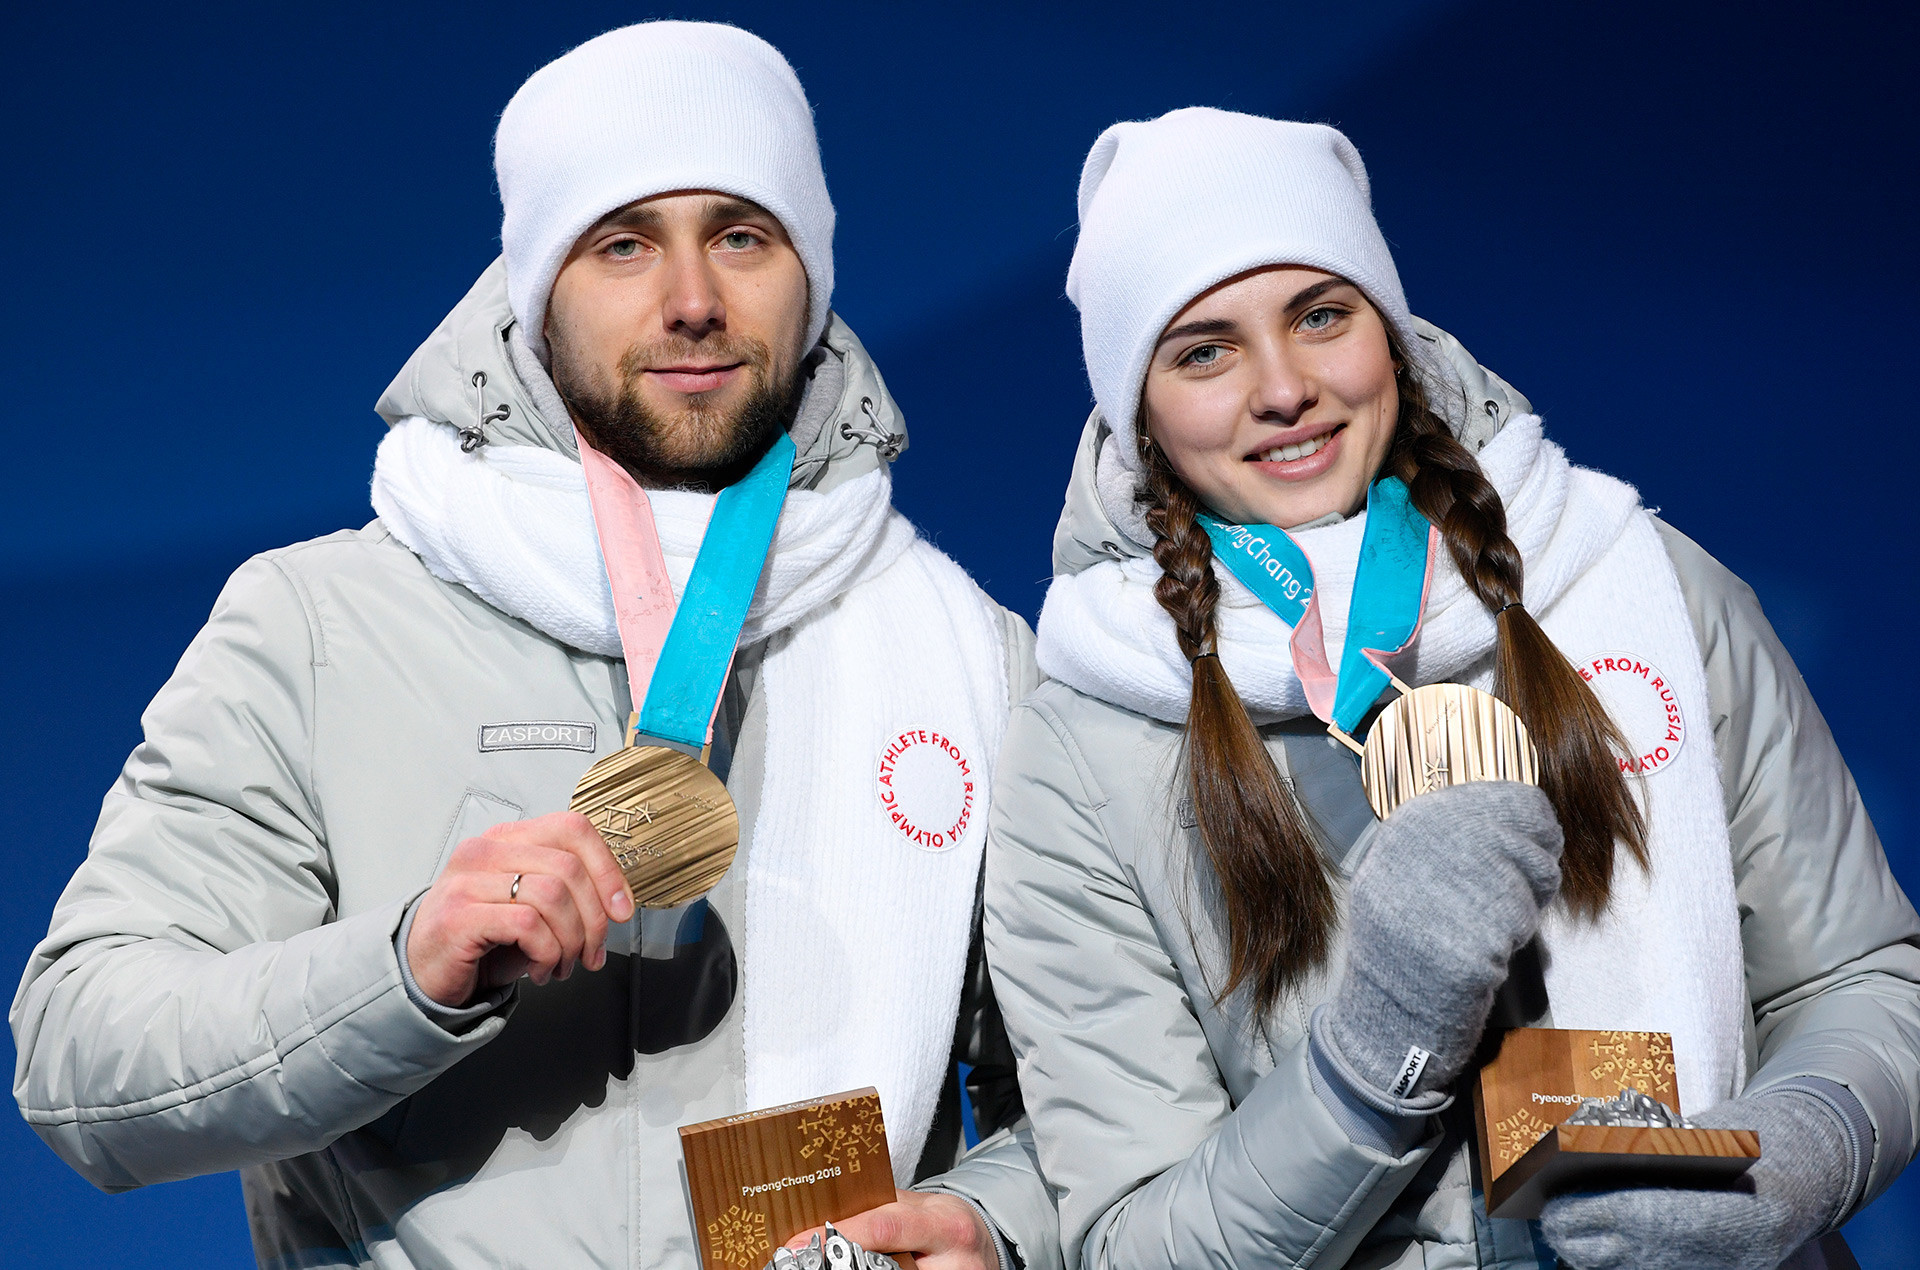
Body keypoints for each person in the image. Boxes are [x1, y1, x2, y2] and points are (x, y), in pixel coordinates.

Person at [11, 23, 1057, 1270]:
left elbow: (1094, 1102)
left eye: (741, 234)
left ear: (810, 273)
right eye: (623, 245)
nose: (692, 301)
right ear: (536, 287)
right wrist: (402, 970)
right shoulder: (322, 623)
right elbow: (78, 1061)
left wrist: (996, 1225)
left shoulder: (965, 649)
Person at [982, 106, 1920, 1269]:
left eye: (1320, 316)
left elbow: (1865, 977)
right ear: (1143, 412)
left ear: (1391, 330)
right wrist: (1376, 1050)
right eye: (1206, 351)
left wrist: (1798, 1150)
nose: (1284, 388)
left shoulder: (1640, 580)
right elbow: (1132, 1242)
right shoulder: (1083, 741)